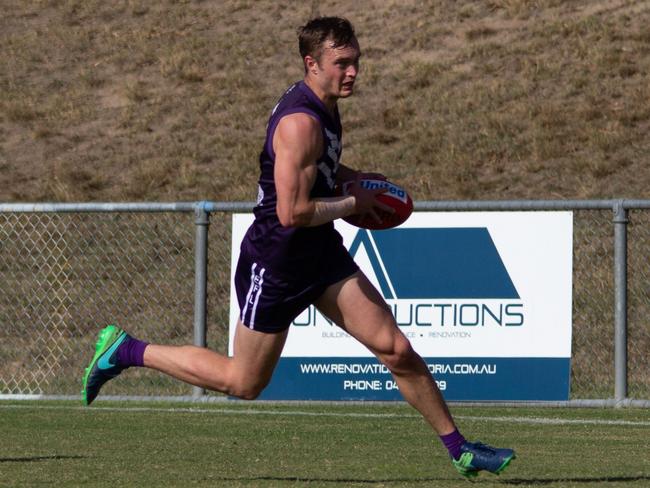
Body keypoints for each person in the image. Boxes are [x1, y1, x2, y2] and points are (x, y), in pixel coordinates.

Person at [82, 16, 515, 478]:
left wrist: (350, 176)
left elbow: (319, 163)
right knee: (243, 382)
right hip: (277, 259)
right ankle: (126, 350)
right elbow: (292, 212)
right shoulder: (299, 123)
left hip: (319, 253)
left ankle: (459, 449)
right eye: (341, 63)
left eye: (356, 62)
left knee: (396, 350)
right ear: (312, 63)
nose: (352, 72)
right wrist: (355, 200)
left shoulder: (323, 105)